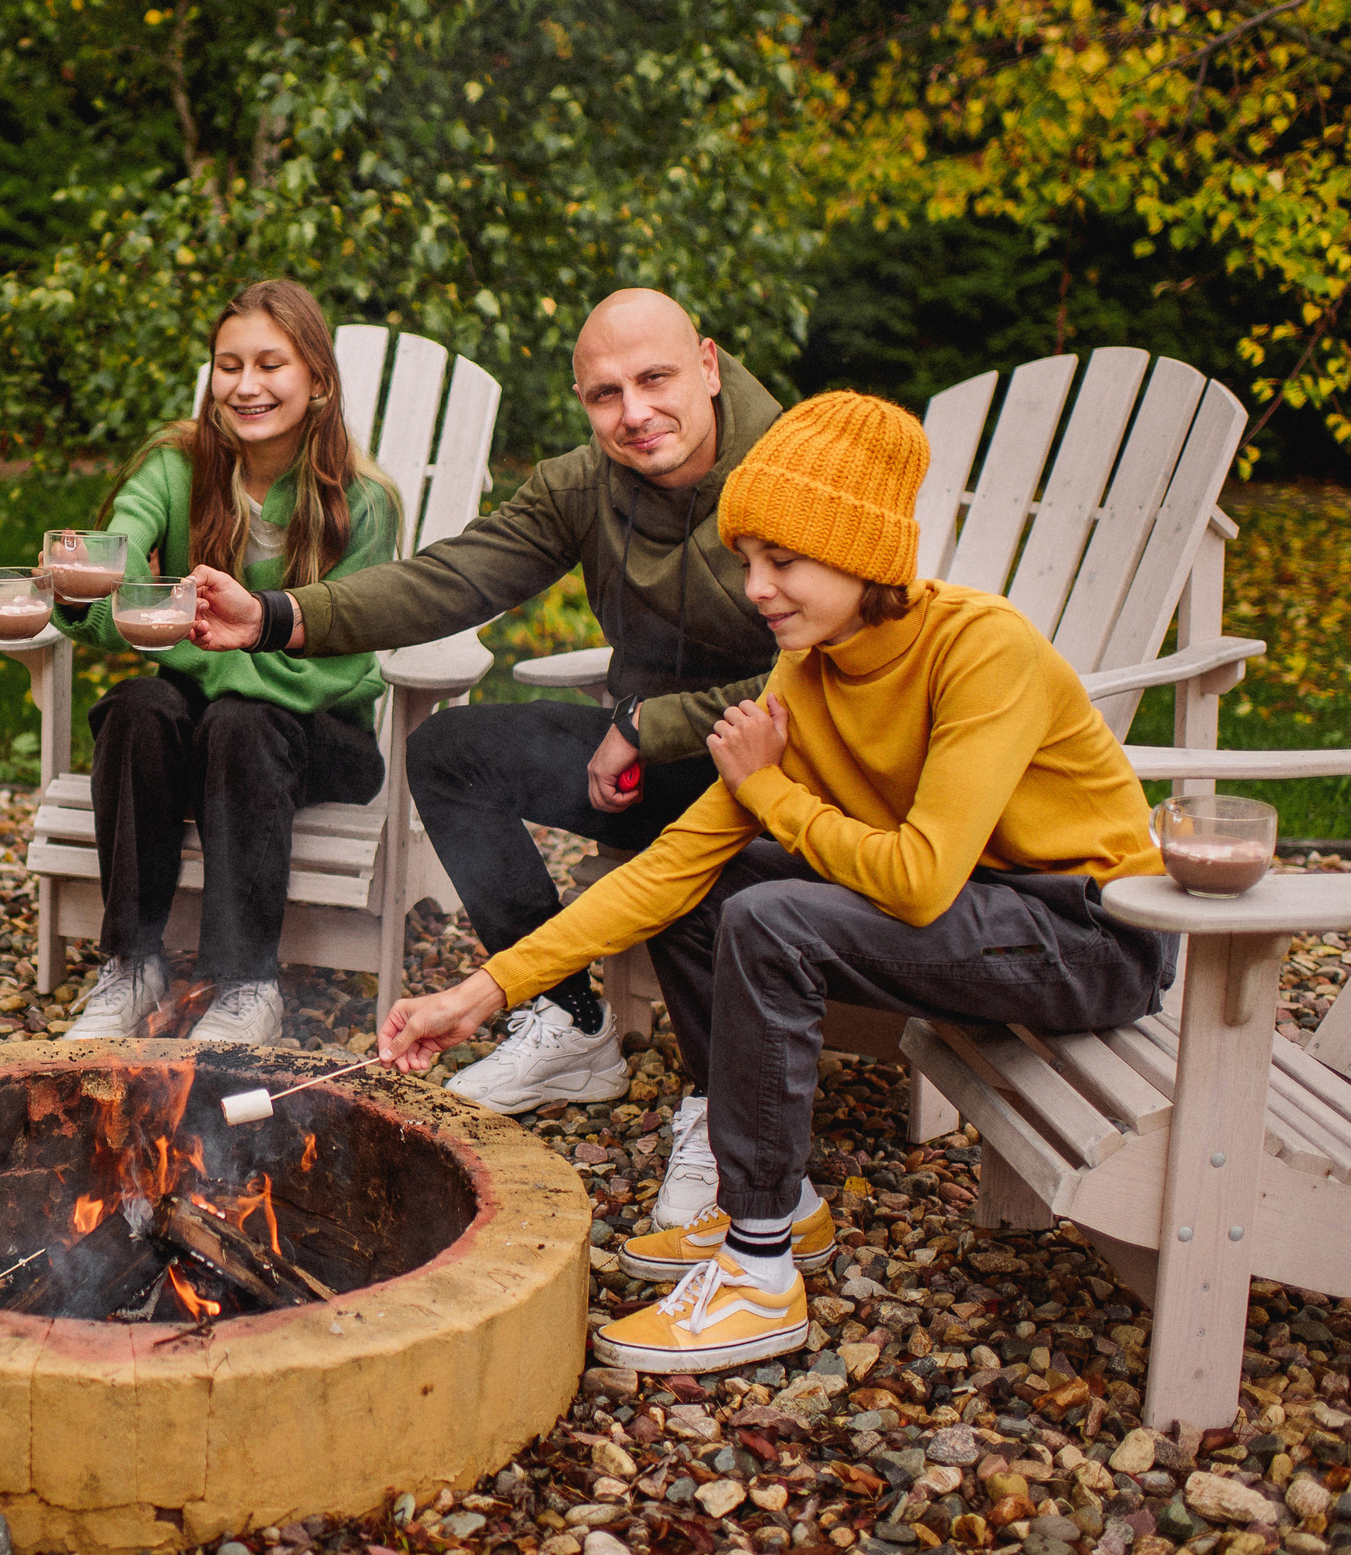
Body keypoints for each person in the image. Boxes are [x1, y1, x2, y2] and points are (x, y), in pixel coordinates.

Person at [375, 390, 1174, 1373]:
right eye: (747, 558)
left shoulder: (981, 648)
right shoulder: (808, 672)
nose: (755, 587)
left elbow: (921, 880)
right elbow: (673, 865)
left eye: (781, 560)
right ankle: (781, 1205)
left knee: (773, 912)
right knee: (704, 877)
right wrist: (478, 992)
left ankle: (756, 1274)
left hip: (1088, 933)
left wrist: (771, 792)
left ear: (863, 554)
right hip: (982, 915)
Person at [191, 289, 785, 1219]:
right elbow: (449, 580)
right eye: (604, 393)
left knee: (685, 836)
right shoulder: (585, 485)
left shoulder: (794, 472)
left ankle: (722, 1112)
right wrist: (278, 613)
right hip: (656, 747)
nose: (633, 413)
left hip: (786, 765)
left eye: (656, 379)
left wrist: (646, 726)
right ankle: (570, 1021)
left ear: (708, 366)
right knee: (452, 751)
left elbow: (832, 670)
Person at [58, 279, 402, 1045]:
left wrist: (212, 653)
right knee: (137, 710)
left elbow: (341, 670)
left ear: (317, 379)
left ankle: (248, 983)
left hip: (322, 737)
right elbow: (125, 553)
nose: (246, 385)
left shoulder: (364, 501)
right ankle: (134, 961)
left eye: (271, 364)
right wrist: (91, 579)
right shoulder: (178, 467)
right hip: (200, 727)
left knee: (241, 722)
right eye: (228, 364)